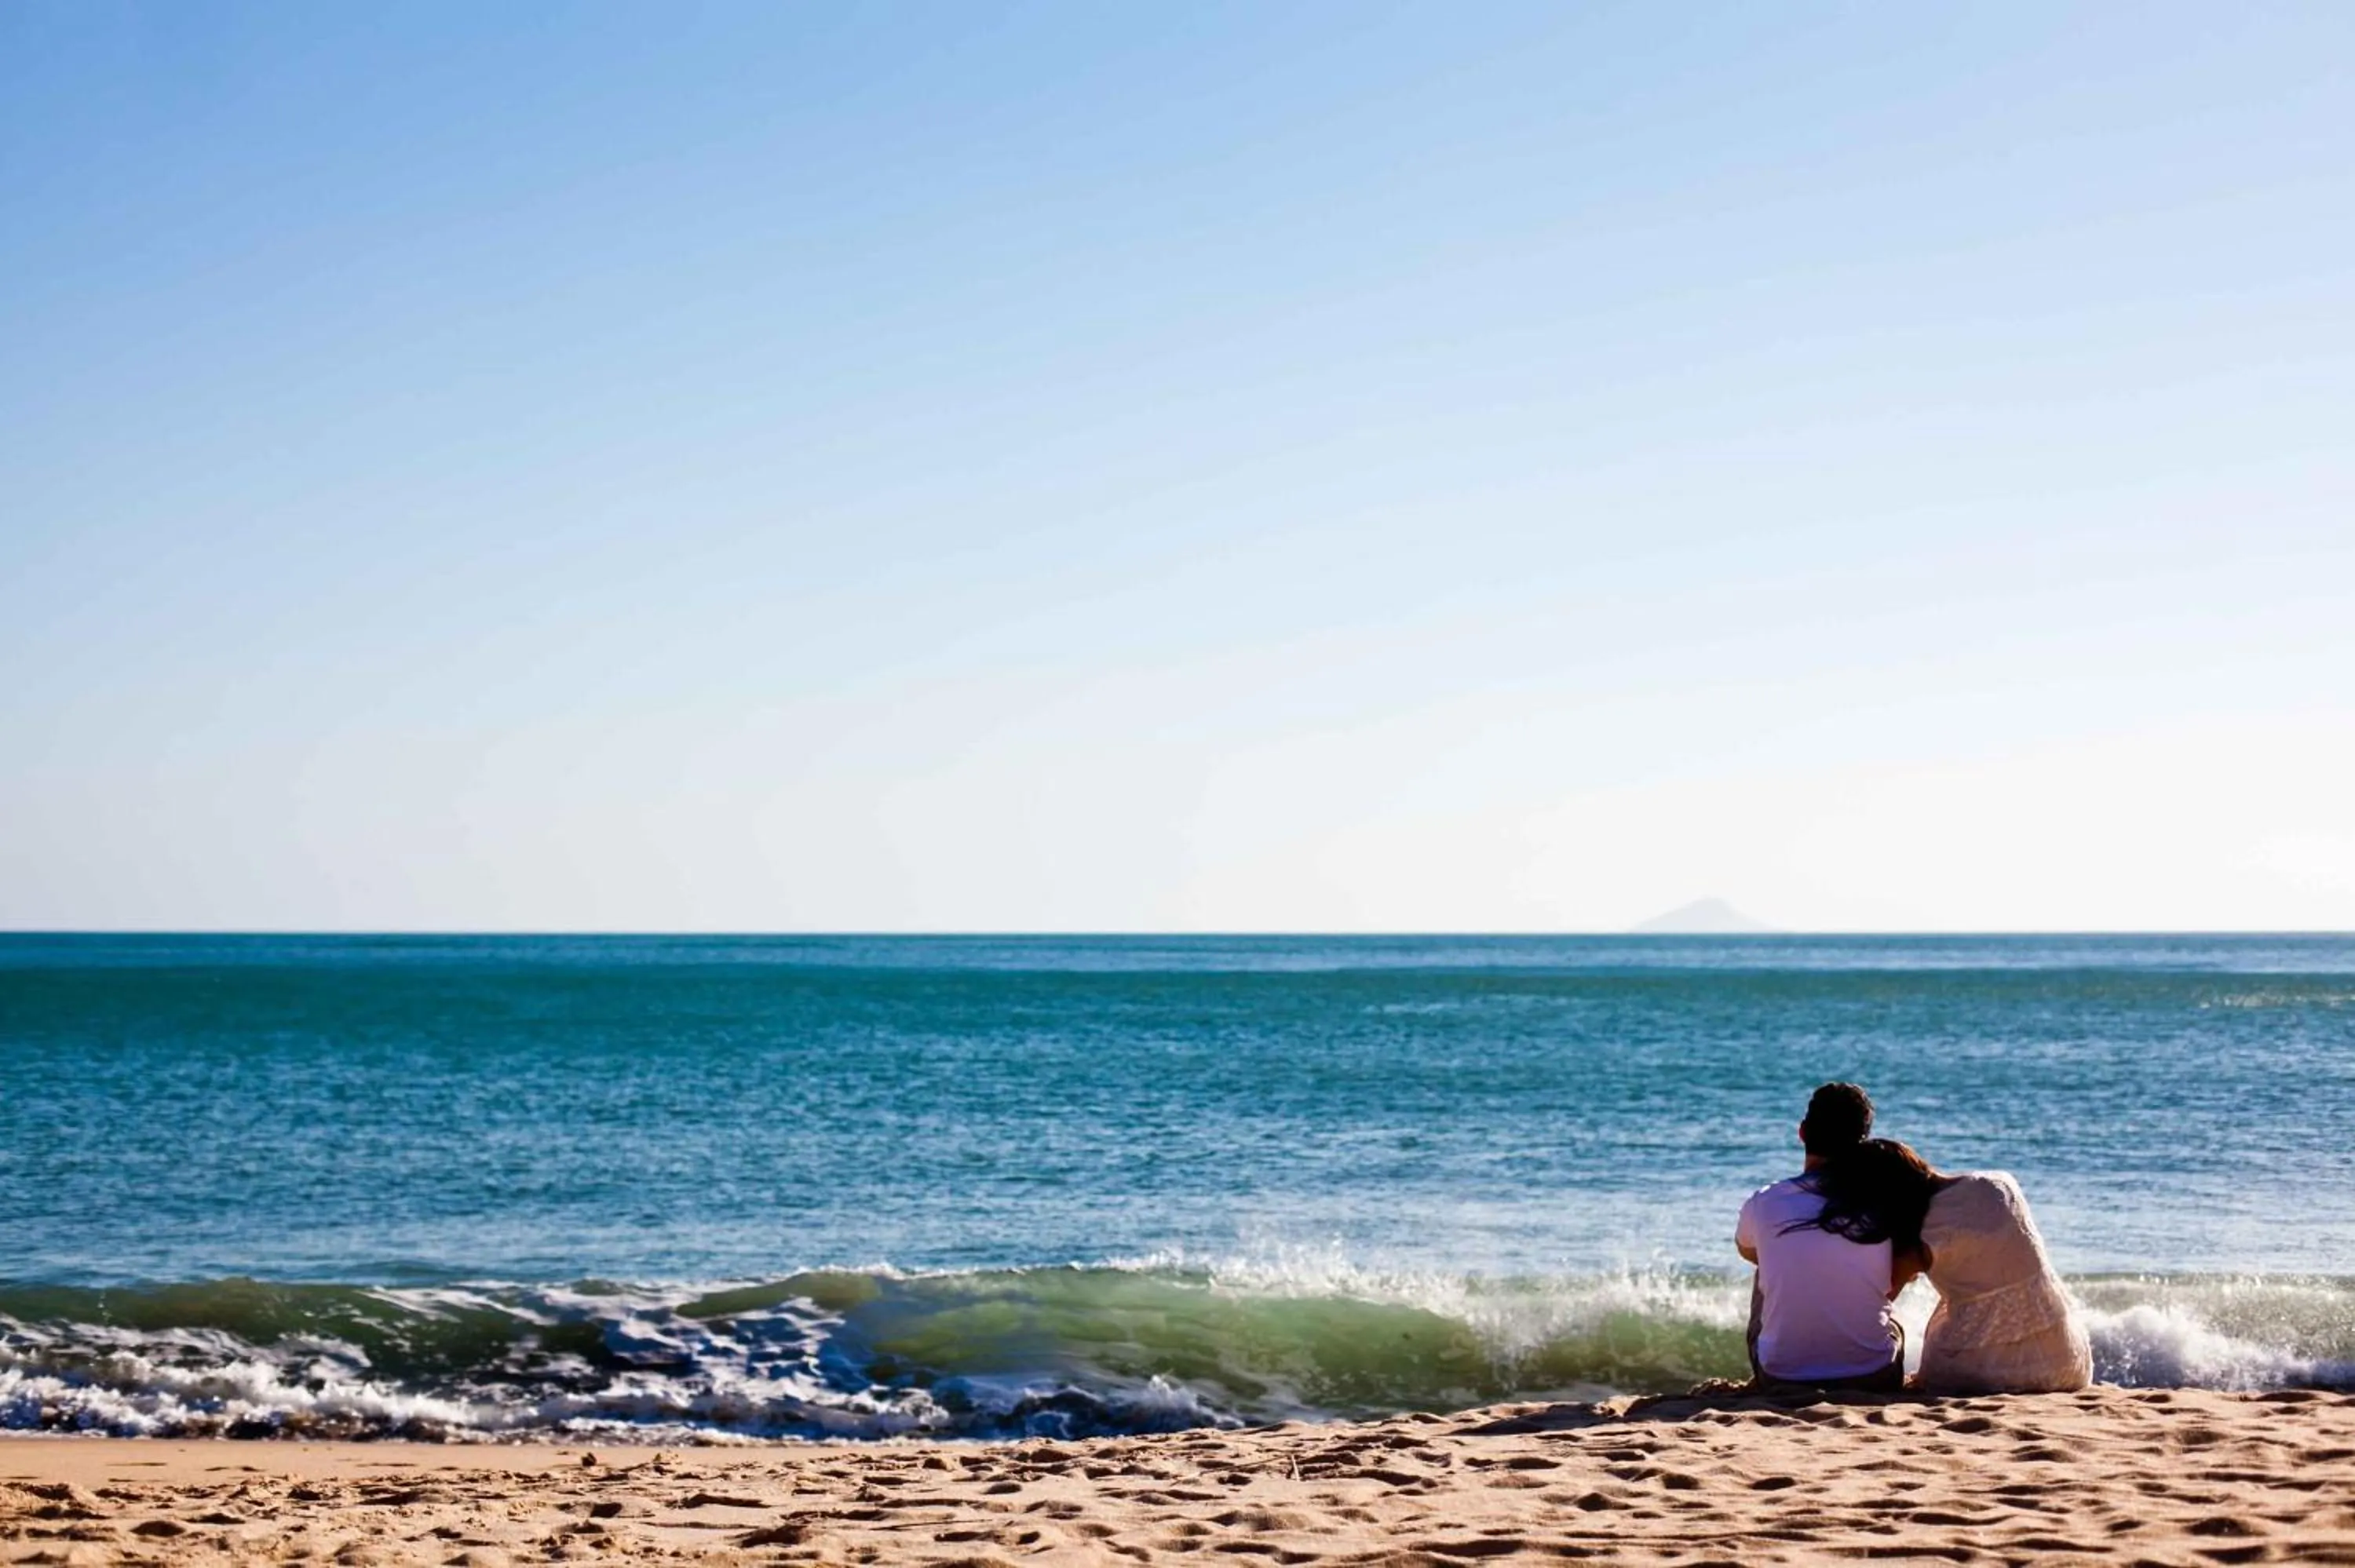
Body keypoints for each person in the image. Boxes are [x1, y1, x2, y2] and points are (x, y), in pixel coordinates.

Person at [1802, 1138, 2092, 1394]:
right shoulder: (2000, 1184)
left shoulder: (1919, 1237)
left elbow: (1876, 1300)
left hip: (1984, 1368)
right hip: (2065, 1359)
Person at [1734, 1082, 1904, 1389]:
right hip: (1874, 1375)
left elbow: (1747, 1251)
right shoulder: (1883, 1202)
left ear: (1802, 1133)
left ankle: (1793, 1354)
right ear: (1862, 1142)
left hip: (1781, 1377)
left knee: (1768, 1259)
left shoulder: (1765, 1201)